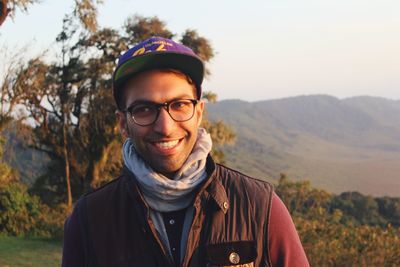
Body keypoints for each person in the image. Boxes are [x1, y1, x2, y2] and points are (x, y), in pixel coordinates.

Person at [62, 36, 309, 267]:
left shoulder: (260, 207)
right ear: (123, 123)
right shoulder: (89, 220)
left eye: (179, 105)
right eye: (144, 109)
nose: (165, 127)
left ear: (199, 112)